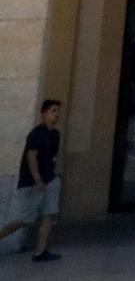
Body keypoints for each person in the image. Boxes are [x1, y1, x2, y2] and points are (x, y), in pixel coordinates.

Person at [0, 99, 62, 263]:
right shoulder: (37, 133)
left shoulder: (55, 134)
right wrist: (37, 179)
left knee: (48, 215)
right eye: (53, 110)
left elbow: (52, 157)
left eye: (58, 111)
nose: (56, 114)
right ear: (44, 114)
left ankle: (40, 252)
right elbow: (31, 156)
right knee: (25, 219)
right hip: (32, 183)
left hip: (50, 180)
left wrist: (53, 177)